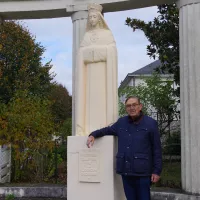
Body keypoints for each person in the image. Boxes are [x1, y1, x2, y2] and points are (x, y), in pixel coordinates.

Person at [86, 96, 162, 200]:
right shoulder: (121, 122)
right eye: (128, 106)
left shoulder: (151, 123)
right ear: (126, 108)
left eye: (134, 105)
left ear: (140, 106)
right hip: (126, 171)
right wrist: (93, 135)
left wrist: (156, 171)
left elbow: (156, 149)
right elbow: (107, 130)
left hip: (143, 172)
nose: (131, 108)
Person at [75, 3, 118, 136]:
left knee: (102, 103)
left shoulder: (107, 34)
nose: (92, 19)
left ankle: (103, 129)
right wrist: (89, 53)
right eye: (90, 17)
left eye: (94, 16)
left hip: (103, 74)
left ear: (99, 18)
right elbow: (81, 53)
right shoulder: (87, 36)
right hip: (89, 75)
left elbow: (112, 50)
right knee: (88, 105)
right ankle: (84, 129)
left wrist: (95, 52)